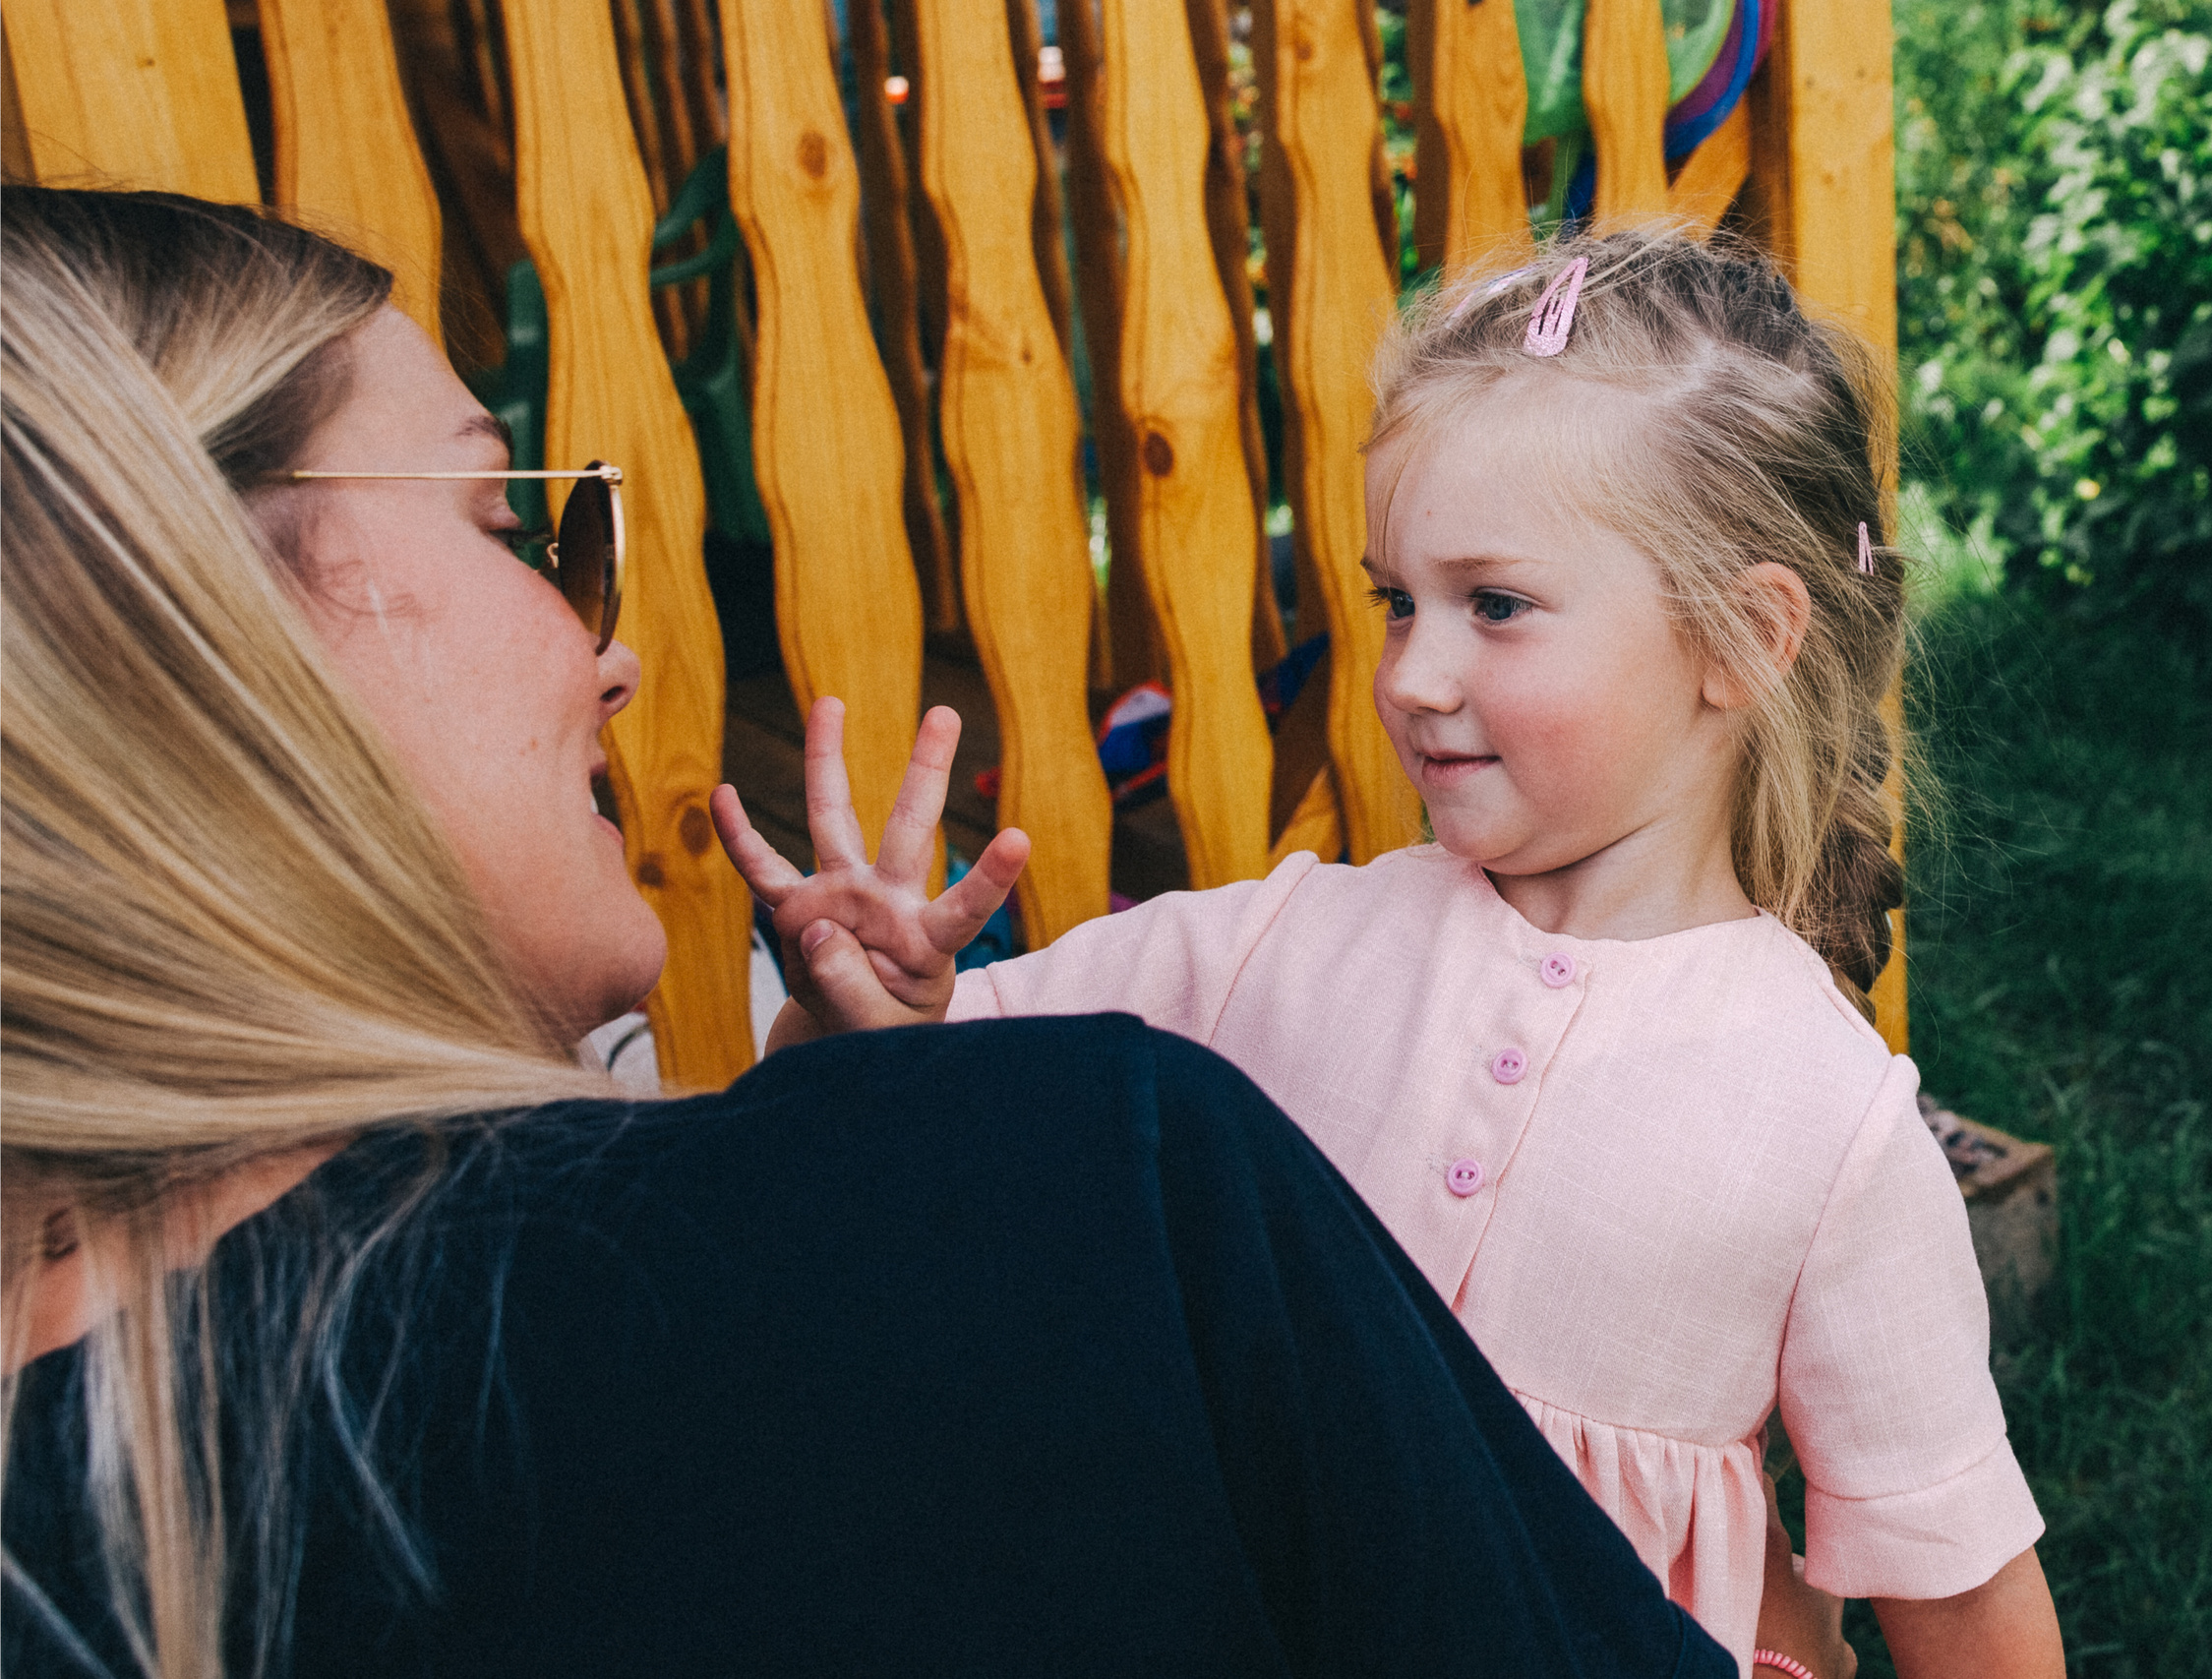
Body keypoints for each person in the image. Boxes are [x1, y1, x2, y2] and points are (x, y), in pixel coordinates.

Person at [0, 188, 1739, 1679]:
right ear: (187, 635)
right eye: (507, 518)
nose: (604, 651)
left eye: (1495, 605)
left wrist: (823, 1123)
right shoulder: (1105, 1191)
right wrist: (871, 1154)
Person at [718, 228, 2069, 1677]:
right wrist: (875, 1010)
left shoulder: (1828, 1122)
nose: (1413, 675)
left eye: (1494, 605)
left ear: (1737, 640)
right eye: (1395, 600)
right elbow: (922, 1107)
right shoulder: (1279, 947)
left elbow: (1967, 1606)